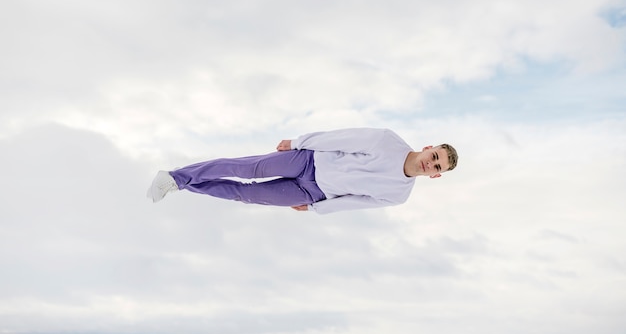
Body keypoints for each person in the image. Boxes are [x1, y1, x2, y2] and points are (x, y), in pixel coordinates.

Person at [147, 128, 458, 214]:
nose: (430, 162)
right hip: (309, 161)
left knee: (246, 195)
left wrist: (315, 207)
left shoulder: (398, 194)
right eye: (434, 156)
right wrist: (300, 142)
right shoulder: (388, 141)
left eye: (437, 166)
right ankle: (175, 176)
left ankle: (181, 185)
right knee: (246, 168)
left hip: (313, 192)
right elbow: (343, 139)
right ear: (428, 147)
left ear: (435, 176)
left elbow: (356, 201)